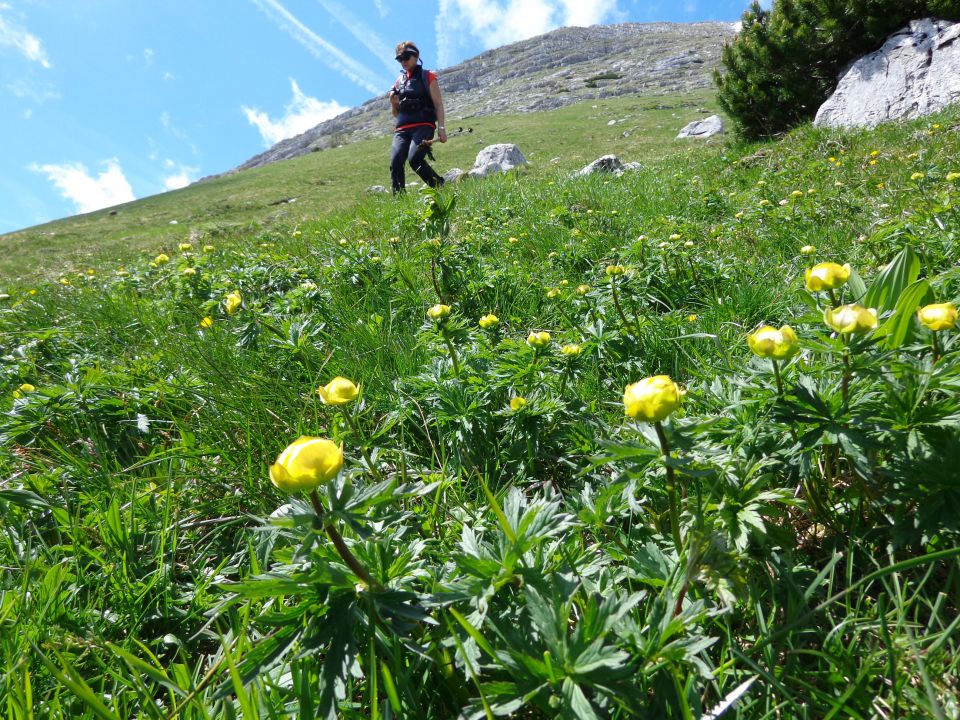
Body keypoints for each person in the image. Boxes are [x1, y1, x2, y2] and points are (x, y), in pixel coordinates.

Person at [388, 41, 447, 193]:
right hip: (402, 129)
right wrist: (393, 103)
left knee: (414, 159)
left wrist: (441, 128)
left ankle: (439, 186)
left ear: (416, 56)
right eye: (399, 59)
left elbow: (438, 104)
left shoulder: (428, 76)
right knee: (395, 162)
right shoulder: (398, 82)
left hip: (424, 125)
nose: (403, 61)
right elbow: (396, 113)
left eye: (406, 56)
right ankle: (400, 202)